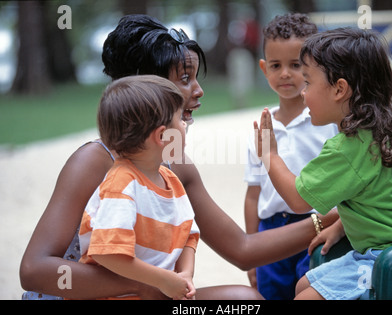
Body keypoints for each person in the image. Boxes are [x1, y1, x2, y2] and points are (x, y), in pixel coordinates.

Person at [20, 14, 338, 300]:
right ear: (143, 86)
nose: (199, 91)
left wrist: (332, 217)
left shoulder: (175, 161)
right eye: (185, 79)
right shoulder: (94, 160)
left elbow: (241, 249)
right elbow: (35, 270)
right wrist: (141, 284)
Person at [254, 27, 392, 300]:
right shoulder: (382, 130)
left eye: (308, 82)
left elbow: (298, 200)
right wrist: (342, 225)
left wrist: (270, 155)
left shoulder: (347, 149)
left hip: (386, 259)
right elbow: (382, 196)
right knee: (302, 285)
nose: (303, 92)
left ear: (339, 89)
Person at [76, 75, 199, 300]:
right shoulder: (121, 185)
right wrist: (163, 279)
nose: (185, 124)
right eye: (180, 119)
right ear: (162, 136)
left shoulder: (171, 181)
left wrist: (185, 274)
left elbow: (189, 235)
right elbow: (108, 253)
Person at [244, 13, 339, 300]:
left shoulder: (327, 122)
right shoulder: (262, 127)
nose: (285, 73)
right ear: (264, 68)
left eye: (296, 65)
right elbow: (253, 193)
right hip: (270, 231)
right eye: (276, 65)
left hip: (317, 225)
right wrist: (252, 248)